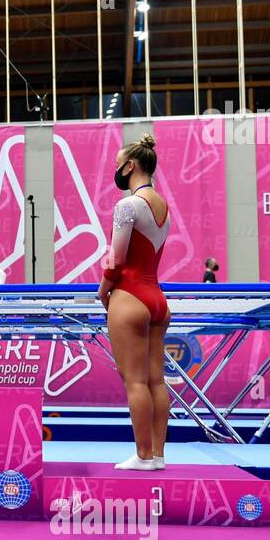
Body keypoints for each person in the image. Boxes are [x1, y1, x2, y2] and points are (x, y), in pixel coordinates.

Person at [97, 135, 171, 472]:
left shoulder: (127, 206)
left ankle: (142, 455)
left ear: (131, 166)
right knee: (156, 380)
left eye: (118, 164)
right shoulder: (163, 206)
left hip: (129, 296)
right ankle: (157, 454)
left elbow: (116, 259)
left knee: (136, 381)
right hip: (157, 298)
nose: (116, 169)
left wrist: (102, 290)